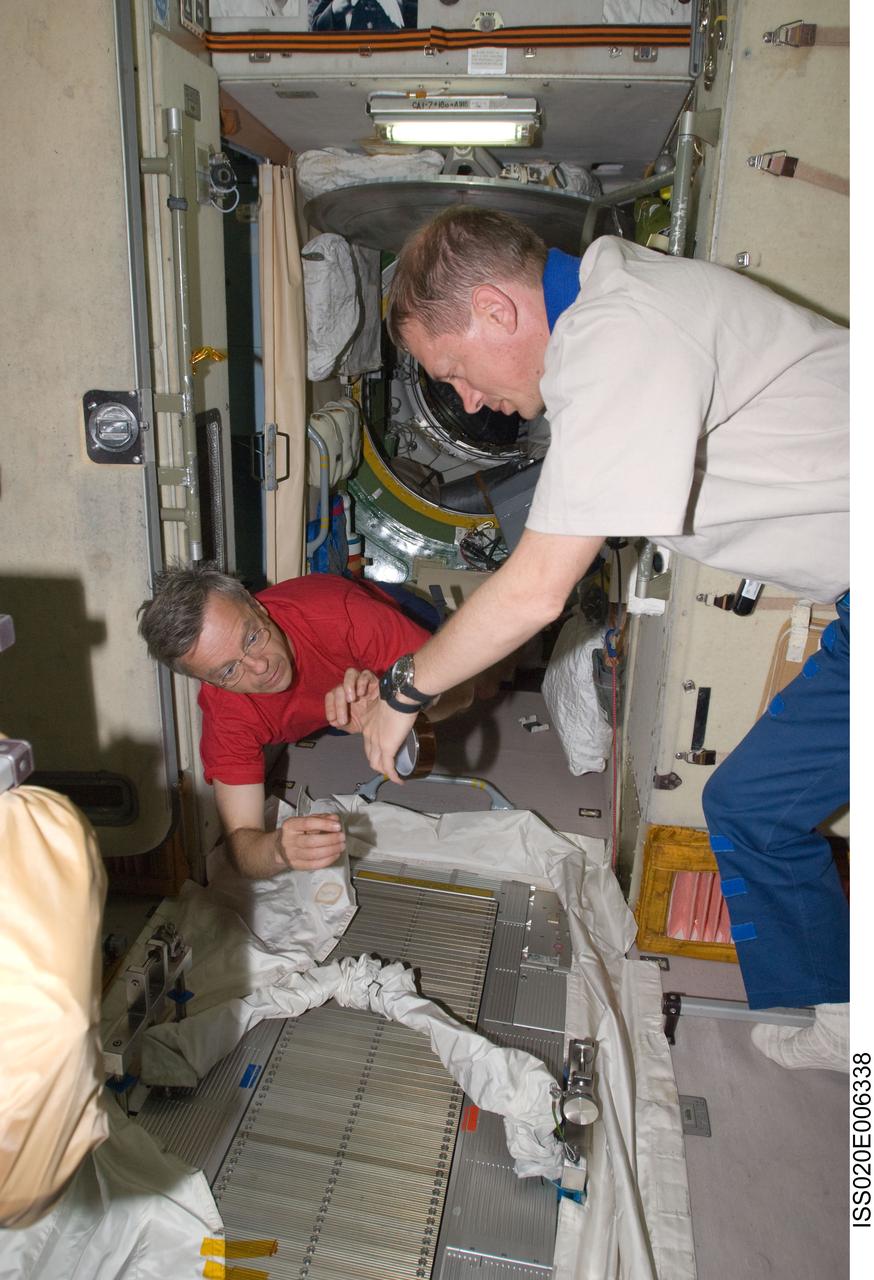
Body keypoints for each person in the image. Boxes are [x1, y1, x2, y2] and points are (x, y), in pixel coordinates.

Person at [330, 205, 849, 1073]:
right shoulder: (609, 323)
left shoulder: (620, 332)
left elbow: (537, 589)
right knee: (753, 808)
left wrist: (404, 690)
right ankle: (845, 1014)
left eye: (454, 370)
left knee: (754, 807)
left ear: (495, 309)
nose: (467, 399)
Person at [138, 563, 484, 880]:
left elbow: (463, 692)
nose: (260, 666)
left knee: (486, 681)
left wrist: (397, 702)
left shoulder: (342, 615)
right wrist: (277, 850)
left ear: (257, 606)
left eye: (252, 637)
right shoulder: (227, 713)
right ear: (208, 682)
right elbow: (242, 845)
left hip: (383, 624)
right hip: (333, 707)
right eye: (228, 670)